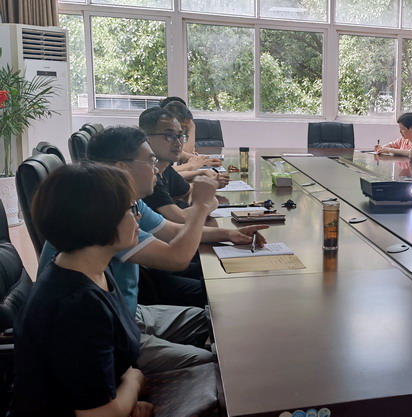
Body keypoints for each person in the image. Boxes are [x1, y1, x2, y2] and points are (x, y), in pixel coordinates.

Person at [39, 126, 268, 374]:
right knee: (210, 362)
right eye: (151, 162)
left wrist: (228, 234)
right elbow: (176, 258)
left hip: (128, 311)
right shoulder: (103, 217)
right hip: (114, 326)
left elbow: (172, 230)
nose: (157, 170)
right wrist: (201, 206)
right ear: (121, 168)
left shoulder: (127, 203)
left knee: (219, 321)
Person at [14, 163, 153, 417]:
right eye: (131, 208)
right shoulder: (76, 305)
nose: (138, 217)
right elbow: (97, 414)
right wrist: (134, 381)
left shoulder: (91, 267)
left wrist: (128, 385)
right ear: (97, 218)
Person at [140, 107, 227, 221]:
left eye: (180, 136)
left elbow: (190, 192)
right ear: (146, 139)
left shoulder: (165, 168)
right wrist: (203, 204)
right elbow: (182, 218)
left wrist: (195, 204)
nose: (178, 143)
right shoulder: (147, 177)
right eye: (169, 136)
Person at [162, 100, 223, 176]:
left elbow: (184, 155)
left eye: (185, 127)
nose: (182, 131)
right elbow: (162, 171)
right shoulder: (158, 140)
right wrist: (190, 165)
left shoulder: (172, 139)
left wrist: (204, 161)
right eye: (182, 126)